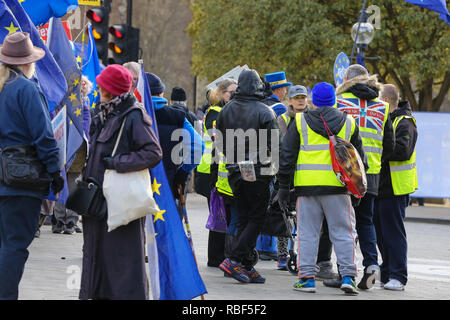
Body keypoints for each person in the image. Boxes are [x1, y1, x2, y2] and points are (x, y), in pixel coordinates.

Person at [79, 64, 162, 300]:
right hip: (98, 202)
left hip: (121, 202)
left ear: (111, 90)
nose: (98, 89)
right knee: (97, 257)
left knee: (123, 261)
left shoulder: (134, 115)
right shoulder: (103, 112)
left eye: (102, 86)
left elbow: (153, 152)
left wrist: (117, 162)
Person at [277, 82, 366, 294]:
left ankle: (307, 279)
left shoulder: (299, 122)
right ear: (334, 100)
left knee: (307, 233)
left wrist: (282, 187)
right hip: (338, 187)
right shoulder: (349, 123)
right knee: (344, 232)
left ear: (313, 100)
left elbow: (287, 157)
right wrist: (359, 188)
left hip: (306, 188)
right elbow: (360, 159)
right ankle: (348, 277)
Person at [0, 32, 64, 300]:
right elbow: (43, 137)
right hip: (20, 180)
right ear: (28, 62)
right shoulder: (26, 88)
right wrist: (55, 171)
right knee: (15, 246)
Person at [333, 64, 394, 290]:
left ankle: (345, 274)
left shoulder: (339, 102)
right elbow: (390, 144)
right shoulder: (382, 106)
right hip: (372, 174)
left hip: (345, 172)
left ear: (347, 79)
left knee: (344, 225)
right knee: (366, 221)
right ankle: (371, 265)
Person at [217, 69, 280, 284]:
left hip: (235, 170)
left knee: (244, 216)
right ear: (258, 87)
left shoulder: (226, 110)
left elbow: (220, 143)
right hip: (258, 171)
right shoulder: (265, 112)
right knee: (257, 217)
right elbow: (274, 145)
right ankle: (235, 259)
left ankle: (245, 264)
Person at [274, 85, 336, 279]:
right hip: (291, 176)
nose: (301, 100)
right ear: (289, 100)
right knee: (287, 218)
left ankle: (318, 261)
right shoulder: (283, 120)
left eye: (304, 97)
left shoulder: (315, 117)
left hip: (309, 177)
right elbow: (283, 148)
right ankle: (284, 254)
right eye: (296, 97)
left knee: (312, 224)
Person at [374, 84, 418, 291]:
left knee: (393, 233)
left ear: (385, 101)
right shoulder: (387, 119)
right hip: (381, 187)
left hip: (395, 188)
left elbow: (403, 151)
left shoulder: (405, 121)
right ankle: (388, 269)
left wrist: (377, 149)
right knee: (381, 234)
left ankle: (399, 276)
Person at [194, 78, 238, 267]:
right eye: (231, 92)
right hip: (209, 170)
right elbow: (216, 135)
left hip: (217, 167)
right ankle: (215, 258)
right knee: (218, 213)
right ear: (221, 93)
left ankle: (219, 256)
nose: (234, 96)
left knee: (221, 212)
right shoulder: (215, 111)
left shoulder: (227, 110)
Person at [146, 73, 204, 210]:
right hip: (169, 178)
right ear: (161, 93)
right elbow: (198, 145)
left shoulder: (133, 114)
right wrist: (183, 172)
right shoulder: (177, 116)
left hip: (138, 181)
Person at [52, 75, 92, 234]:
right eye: (79, 82)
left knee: (74, 186)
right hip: (63, 148)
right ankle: (60, 220)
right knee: (62, 186)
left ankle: (71, 221)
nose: (81, 85)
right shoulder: (63, 101)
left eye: (84, 83)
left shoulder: (87, 105)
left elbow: (88, 129)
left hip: (78, 151)